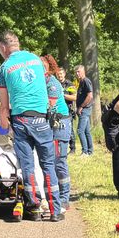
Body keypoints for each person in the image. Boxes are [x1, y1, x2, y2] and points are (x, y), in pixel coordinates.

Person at [0, 30, 62, 222]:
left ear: (3, 47)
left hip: (21, 120)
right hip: (41, 119)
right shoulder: (36, 60)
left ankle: (34, 208)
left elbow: (4, 105)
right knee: (48, 165)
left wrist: (4, 124)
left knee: (27, 166)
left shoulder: (3, 69)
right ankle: (55, 211)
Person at [41, 55, 72, 214]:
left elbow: (50, 106)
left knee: (59, 162)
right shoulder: (41, 82)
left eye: (42, 66)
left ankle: (64, 199)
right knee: (48, 162)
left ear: (48, 67)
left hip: (60, 125)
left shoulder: (52, 83)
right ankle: (51, 198)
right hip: (50, 125)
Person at [74, 65, 94, 156]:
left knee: (80, 130)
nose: (77, 73)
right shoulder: (81, 82)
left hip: (85, 109)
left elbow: (90, 96)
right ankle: (90, 151)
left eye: (79, 71)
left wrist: (81, 107)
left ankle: (85, 151)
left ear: (83, 71)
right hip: (83, 109)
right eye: (76, 72)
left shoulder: (86, 81)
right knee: (86, 131)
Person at [62, 70, 77, 154]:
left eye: (61, 73)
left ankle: (72, 148)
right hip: (58, 110)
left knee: (69, 129)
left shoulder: (69, 84)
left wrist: (63, 95)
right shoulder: (56, 83)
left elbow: (75, 97)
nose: (60, 75)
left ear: (64, 74)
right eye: (58, 74)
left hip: (68, 110)